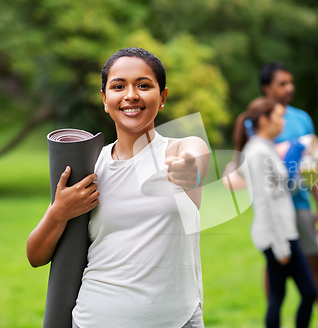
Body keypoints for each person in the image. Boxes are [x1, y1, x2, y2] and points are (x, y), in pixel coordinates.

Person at [27, 47, 209, 328]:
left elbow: (197, 156)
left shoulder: (180, 150)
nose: (131, 95)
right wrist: (59, 211)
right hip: (96, 319)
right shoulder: (90, 168)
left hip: (178, 320)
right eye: (118, 86)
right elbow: (35, 256)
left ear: (162, 98)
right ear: (105, 99)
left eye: (144, 85)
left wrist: (189, 168)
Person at [259, 63, 318, 328]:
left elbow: (311, 166)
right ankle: (275, 319)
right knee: (276, 265)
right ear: (267, 88)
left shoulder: (301, 119)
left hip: (301, 204)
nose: (290, 88)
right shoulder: (260, 119)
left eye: (291, 82)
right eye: (282, 83)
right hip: (275, 206)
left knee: (316, 257)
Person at [238, 97, 317, 328]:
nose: (283, 122)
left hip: (282, 233)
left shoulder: (266, 148)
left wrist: (295, 163)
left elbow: (283, 188)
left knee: (279, 296)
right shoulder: (258, 152)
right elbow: (265, 202)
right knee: (306, 292)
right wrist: (281, 246)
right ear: (264, 120)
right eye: (279, 117)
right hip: (277, 237)